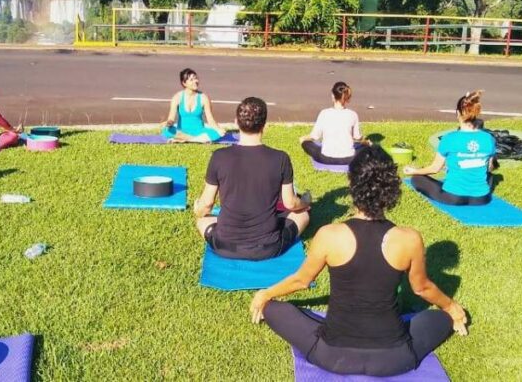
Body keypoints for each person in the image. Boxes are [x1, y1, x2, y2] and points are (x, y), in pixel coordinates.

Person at [250, 146, 468, 377]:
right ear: (390, 187)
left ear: (352, 184)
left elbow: (302, 280)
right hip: (394, 358)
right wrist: (451, 308)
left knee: (273, 309)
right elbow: (422, 287)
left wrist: (266, 294)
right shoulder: (408, 239)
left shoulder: (329, 235)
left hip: (332, 356)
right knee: (440, 317)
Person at [194, 97, 310, 260]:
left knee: (202, 221)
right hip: (268, 247)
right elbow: (290, 203)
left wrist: (197, 208)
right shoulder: (280, 158)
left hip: (224, 245)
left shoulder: (219, 157)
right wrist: (305, 201)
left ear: (236, 122)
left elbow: (206, 205)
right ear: (264, 125)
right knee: (303, 215)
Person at [404, 90, 496, 205]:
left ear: (458, 113)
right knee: (491, 176)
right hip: (482, 199)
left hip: (453, 197)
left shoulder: (449, 138)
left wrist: (414, 171)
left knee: (417, 178)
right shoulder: (488, 138)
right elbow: (489, 168)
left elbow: (434, 169)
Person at [300, 81, 369, 165]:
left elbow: (315, 136)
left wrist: (303, 139)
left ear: (333, 96)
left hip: (326, 158)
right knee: (366, 147)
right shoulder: (352, 114)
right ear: (347, 97)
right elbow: (357, 137)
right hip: (349, 159)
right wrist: (367, 142)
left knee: (306, 143)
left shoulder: (324, 113)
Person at [161, 68, 226, 143]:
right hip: (182, 131)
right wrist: (168, 123)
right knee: (167, 131)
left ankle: (184, 139)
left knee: (216, 133)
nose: (195, 81)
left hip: (199, 132)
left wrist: (218, 129)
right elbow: (171, 118)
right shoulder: (177, 97)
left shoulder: (203, 97)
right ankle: (196, 139)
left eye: (196, 78)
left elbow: (210, 119)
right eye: (191, 80)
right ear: (184, 83)